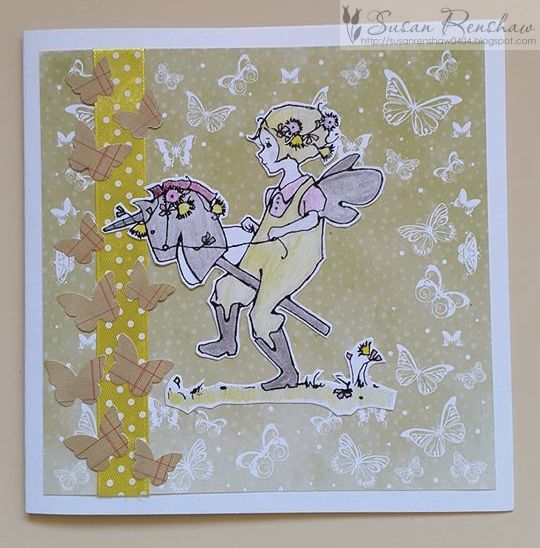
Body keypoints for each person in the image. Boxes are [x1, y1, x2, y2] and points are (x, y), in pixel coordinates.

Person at [198, 102, 341, 390]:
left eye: (266, 145)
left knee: (261, 315)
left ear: (290, 149)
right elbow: (271, 223)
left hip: (292, 260)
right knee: (226, 288)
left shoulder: (309, 191)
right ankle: (227, 341)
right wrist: (257, 227)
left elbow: (311, 220)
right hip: (263, 252)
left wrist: (283, 230)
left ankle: (289, 373)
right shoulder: (274, 192)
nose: (260, 153)